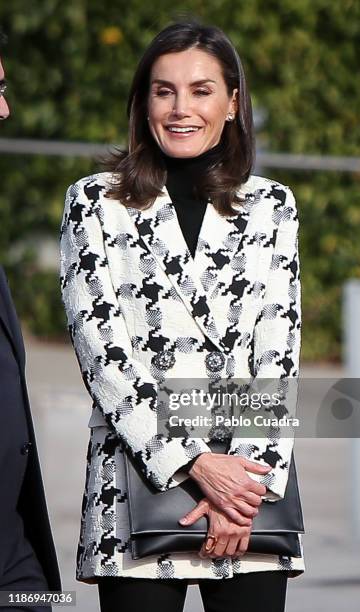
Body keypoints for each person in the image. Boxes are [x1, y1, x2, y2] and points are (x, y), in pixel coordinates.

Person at [59, 19, 304, 612]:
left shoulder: (272, 206)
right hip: (137, 482)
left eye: (200, 90)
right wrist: (193, 463)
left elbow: (278, 351)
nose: (179, 108)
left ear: (232, 103)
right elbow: (102, 354)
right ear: (143, 102)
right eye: (163, 90)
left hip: (250, 500)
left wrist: (239, 490)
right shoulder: (94, 203)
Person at [0, 30, 61, 609]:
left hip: (16, 565)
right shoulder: (96, 208)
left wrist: (248, 478)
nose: (5, 108)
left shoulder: (274, 208)